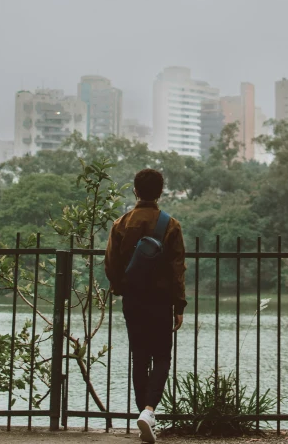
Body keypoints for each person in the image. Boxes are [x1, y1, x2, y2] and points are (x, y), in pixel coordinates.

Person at [105, 168, 187, 443]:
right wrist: (179, 306)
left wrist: (121, 287)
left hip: (134, 299)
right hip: (161, 301)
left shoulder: (121, 223)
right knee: (162, 356)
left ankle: (143, 412)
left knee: (139, 357)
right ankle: (149, 411)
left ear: (136, 191)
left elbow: (111, 264)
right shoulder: (171, 225)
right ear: (160, 192)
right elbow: (177, 269)